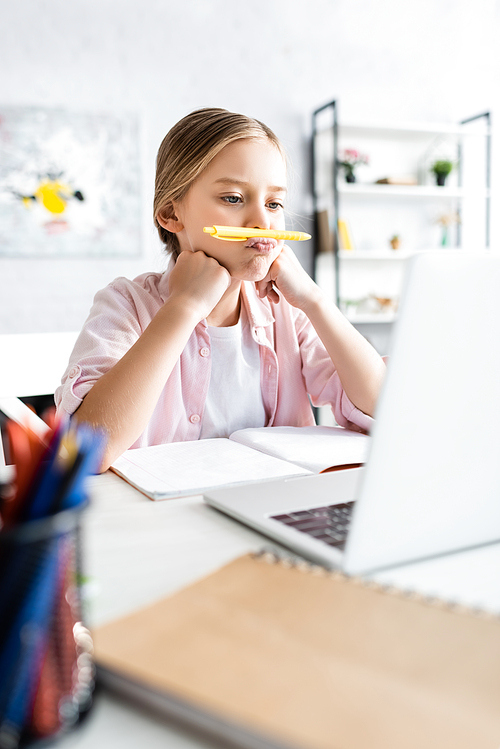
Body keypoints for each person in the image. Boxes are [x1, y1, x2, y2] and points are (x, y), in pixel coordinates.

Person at [55, 108, 385, 472]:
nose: (262, 223)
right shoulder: (125, 304)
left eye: (274, 203)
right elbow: (87, 451)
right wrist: (184, 306)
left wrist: (316, 301)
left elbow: (384, 409)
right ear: (171, 214)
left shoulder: (289, 310)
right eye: (233, 198)